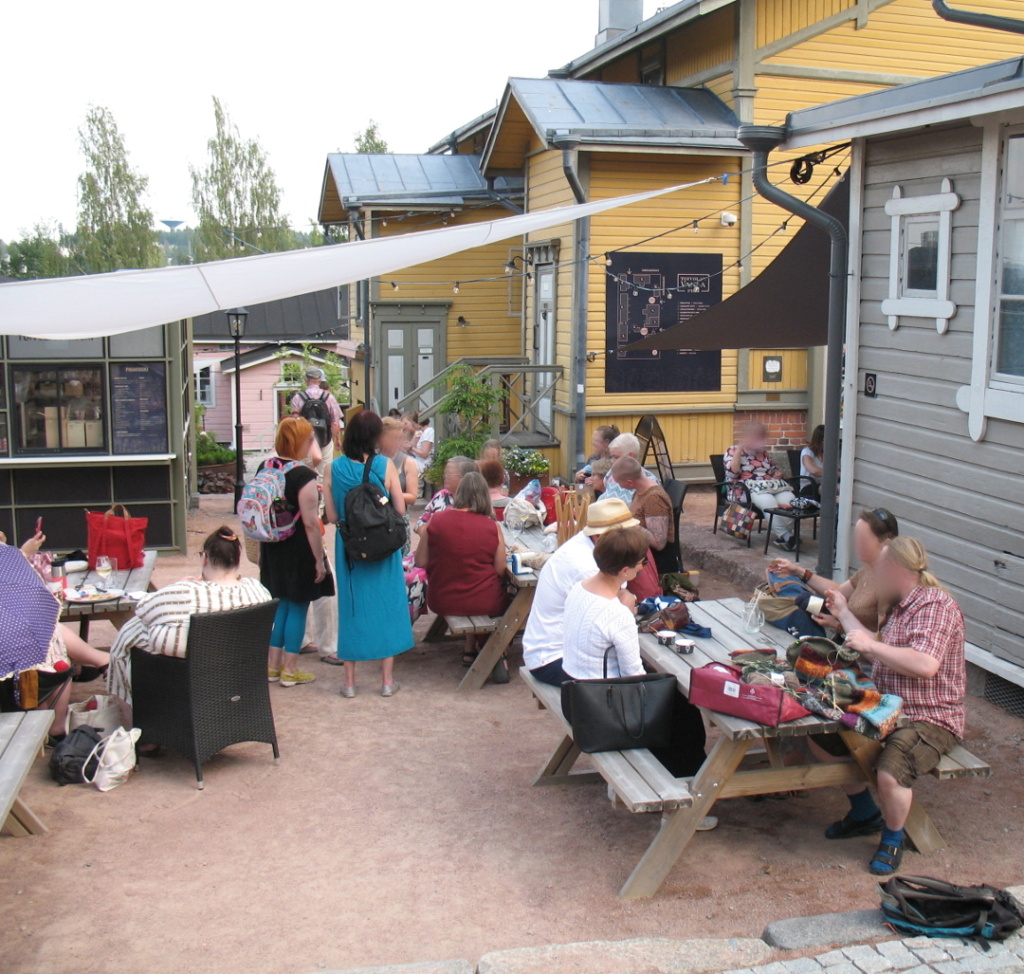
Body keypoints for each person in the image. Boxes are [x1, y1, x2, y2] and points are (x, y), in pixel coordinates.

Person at [810, 537, 966, 877]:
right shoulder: (899, 603)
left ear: (896, 570)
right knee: (820, 732)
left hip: (930, 716)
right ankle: (864, 812)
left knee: (891, 768)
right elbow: (874, 649)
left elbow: (925, 664)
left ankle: (893, 839)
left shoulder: (935, 606)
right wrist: (844, 614)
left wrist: (870, 646)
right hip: (886, 705)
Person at [562, 528, 711, 800]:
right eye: (642, 563)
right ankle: (680, 800)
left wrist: (621, 602)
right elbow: (635, 678)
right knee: (684, 713)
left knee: (677, 706)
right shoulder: (616, 614)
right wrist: (626, 615)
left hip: (575, 694)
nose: (644, 568)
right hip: (602, 710)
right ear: (625, 571)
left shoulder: (579, 589)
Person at [107, 527, 271, 705]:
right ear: (236, 561)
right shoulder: (257, 589)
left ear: (205, 559)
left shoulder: (186, 592)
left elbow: (143, 609)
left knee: (137, 630)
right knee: (152, 631)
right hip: (235, 672)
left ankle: (129, 709)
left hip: (183, 677)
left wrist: (180, 585)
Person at [325, 410, 413, 698]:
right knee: (387, 607)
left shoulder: (333, 468)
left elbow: (332, 514)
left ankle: (349, 682)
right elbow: (399, 509)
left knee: (351, 608)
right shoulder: (385, 465)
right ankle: (387, 681)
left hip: (350, 547)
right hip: (383, 546)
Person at [521, 498, 639, 687]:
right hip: (553, 658)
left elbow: (621, 598)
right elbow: (618, 615)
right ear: (601, 537)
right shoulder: (587, 567)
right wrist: (628, 605)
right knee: (640, 676)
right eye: (625, 534)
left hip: (554, 650)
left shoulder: (590, 548)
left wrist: (626, 599)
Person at [261, 417, 334, 688]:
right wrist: (319, 561)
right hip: (297, 549)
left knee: (280, 606)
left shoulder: (266, 466)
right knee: (299, 608)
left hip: (272, 546)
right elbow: (310, 523)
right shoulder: (303, 475)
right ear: (301, 441)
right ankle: (290, 670)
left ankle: (273, 666)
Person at [416, 472, 509, 668]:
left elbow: (421, 560)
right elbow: (500, 569)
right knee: (506, 592)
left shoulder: (437, 520)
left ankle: (470, 647)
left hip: (442, 599)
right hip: (484, 602)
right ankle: (493, 650)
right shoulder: (492, 527)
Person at [772, 507, 899, 633]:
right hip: (846, 641)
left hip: (858, 649)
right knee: (802, 600)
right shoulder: (868, 569)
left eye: (863, 539)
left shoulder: (890, 585)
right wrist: (798, 572)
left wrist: (838, 626)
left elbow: (882, 642)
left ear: (886, 542)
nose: (857, 544)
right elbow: (839, 591)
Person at [725, 422, 799, 551]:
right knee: (768, 502)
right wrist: (739, 451)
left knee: (790, 500)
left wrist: (777, 474)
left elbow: (773, 470)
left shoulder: (763, 453)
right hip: (745, 489)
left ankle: (783, 536)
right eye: (756, 437)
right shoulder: (733, 450)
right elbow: (732, 473)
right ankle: (787, 536)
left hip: (770, 486)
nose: (759, 440)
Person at [612, 456, 677, 576]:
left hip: (658, 566)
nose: (619, 487)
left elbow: (659, 543)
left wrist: (627, 522)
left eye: (619, 483)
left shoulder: (654, 498)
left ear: (630, 482)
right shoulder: (639, 491)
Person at [290, 366, 342, 477]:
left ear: (306, 380)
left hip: (305, 440)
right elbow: (335, 422)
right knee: (325, 472)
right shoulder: (329, 397)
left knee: (306, 471)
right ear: (320, 380)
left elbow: (295, 422)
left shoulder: (298, 398)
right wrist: (335, 439)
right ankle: (322, 492)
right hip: (325, 438)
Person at [416, 456, 476, 533]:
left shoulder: (477, 499)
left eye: (449, 475)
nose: (445, 477)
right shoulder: (441, 495)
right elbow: (421, 523)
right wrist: (429, 536)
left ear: (464, 478)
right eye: (445, 474)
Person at [600, 433, 658, 503]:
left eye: (616, 457)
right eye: (611, 457)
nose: (612, 461)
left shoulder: (648, 481)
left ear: (630, 456)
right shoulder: (611, 474)